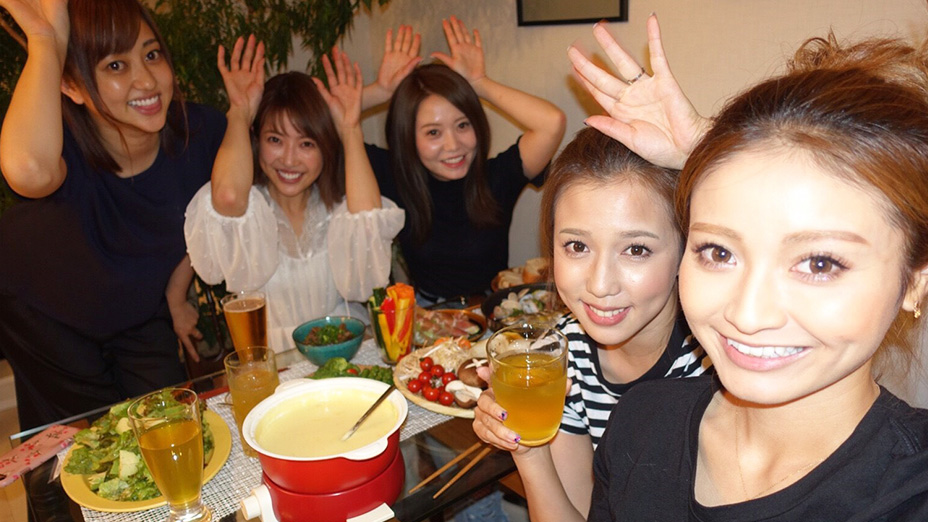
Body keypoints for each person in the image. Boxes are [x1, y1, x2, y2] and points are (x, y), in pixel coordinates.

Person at [551, 20, 928, 522]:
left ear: (916, 281)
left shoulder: (910, 492)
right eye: (719, 253)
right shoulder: (641, 425)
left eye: (819, 263)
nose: (748, 315)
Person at [0, 0, 225, 430]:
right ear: (72, 85)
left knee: (175, 427)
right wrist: (45, 41)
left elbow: (218, 211)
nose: (147, 80)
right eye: (116, 66)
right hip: (46, 309)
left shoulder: (201, 132)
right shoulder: (60, 145)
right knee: (92, 442)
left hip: (139, 305)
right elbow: (28, 170)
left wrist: (177, 291)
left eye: (152, 54)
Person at [471, 127, 712, 516]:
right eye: (577, 246)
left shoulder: (716, 370)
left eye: (636, 249)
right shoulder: (563, 356)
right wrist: (529, 448)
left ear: (687, 250)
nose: (600, 285)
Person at [184, 37, 404, 352]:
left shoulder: (339, 209)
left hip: (344, 351)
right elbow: (229, 196)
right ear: (257, 140)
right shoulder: (249, 215)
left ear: (325, 148)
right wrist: (240, 113)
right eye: (275, 140)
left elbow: (369, 226)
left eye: (306, 144)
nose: (289, 159)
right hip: (276, 360)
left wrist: (350, 129)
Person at [365, 16, 566, 304]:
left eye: (462, 125)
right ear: (407, 137)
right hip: (427, 315)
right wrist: (379, 92)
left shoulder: (497, 176)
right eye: (433, 132)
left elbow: (551, 122)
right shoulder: (394, 175)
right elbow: (324, 127)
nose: (453, 145)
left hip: (493, 310)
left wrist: (479, 83)